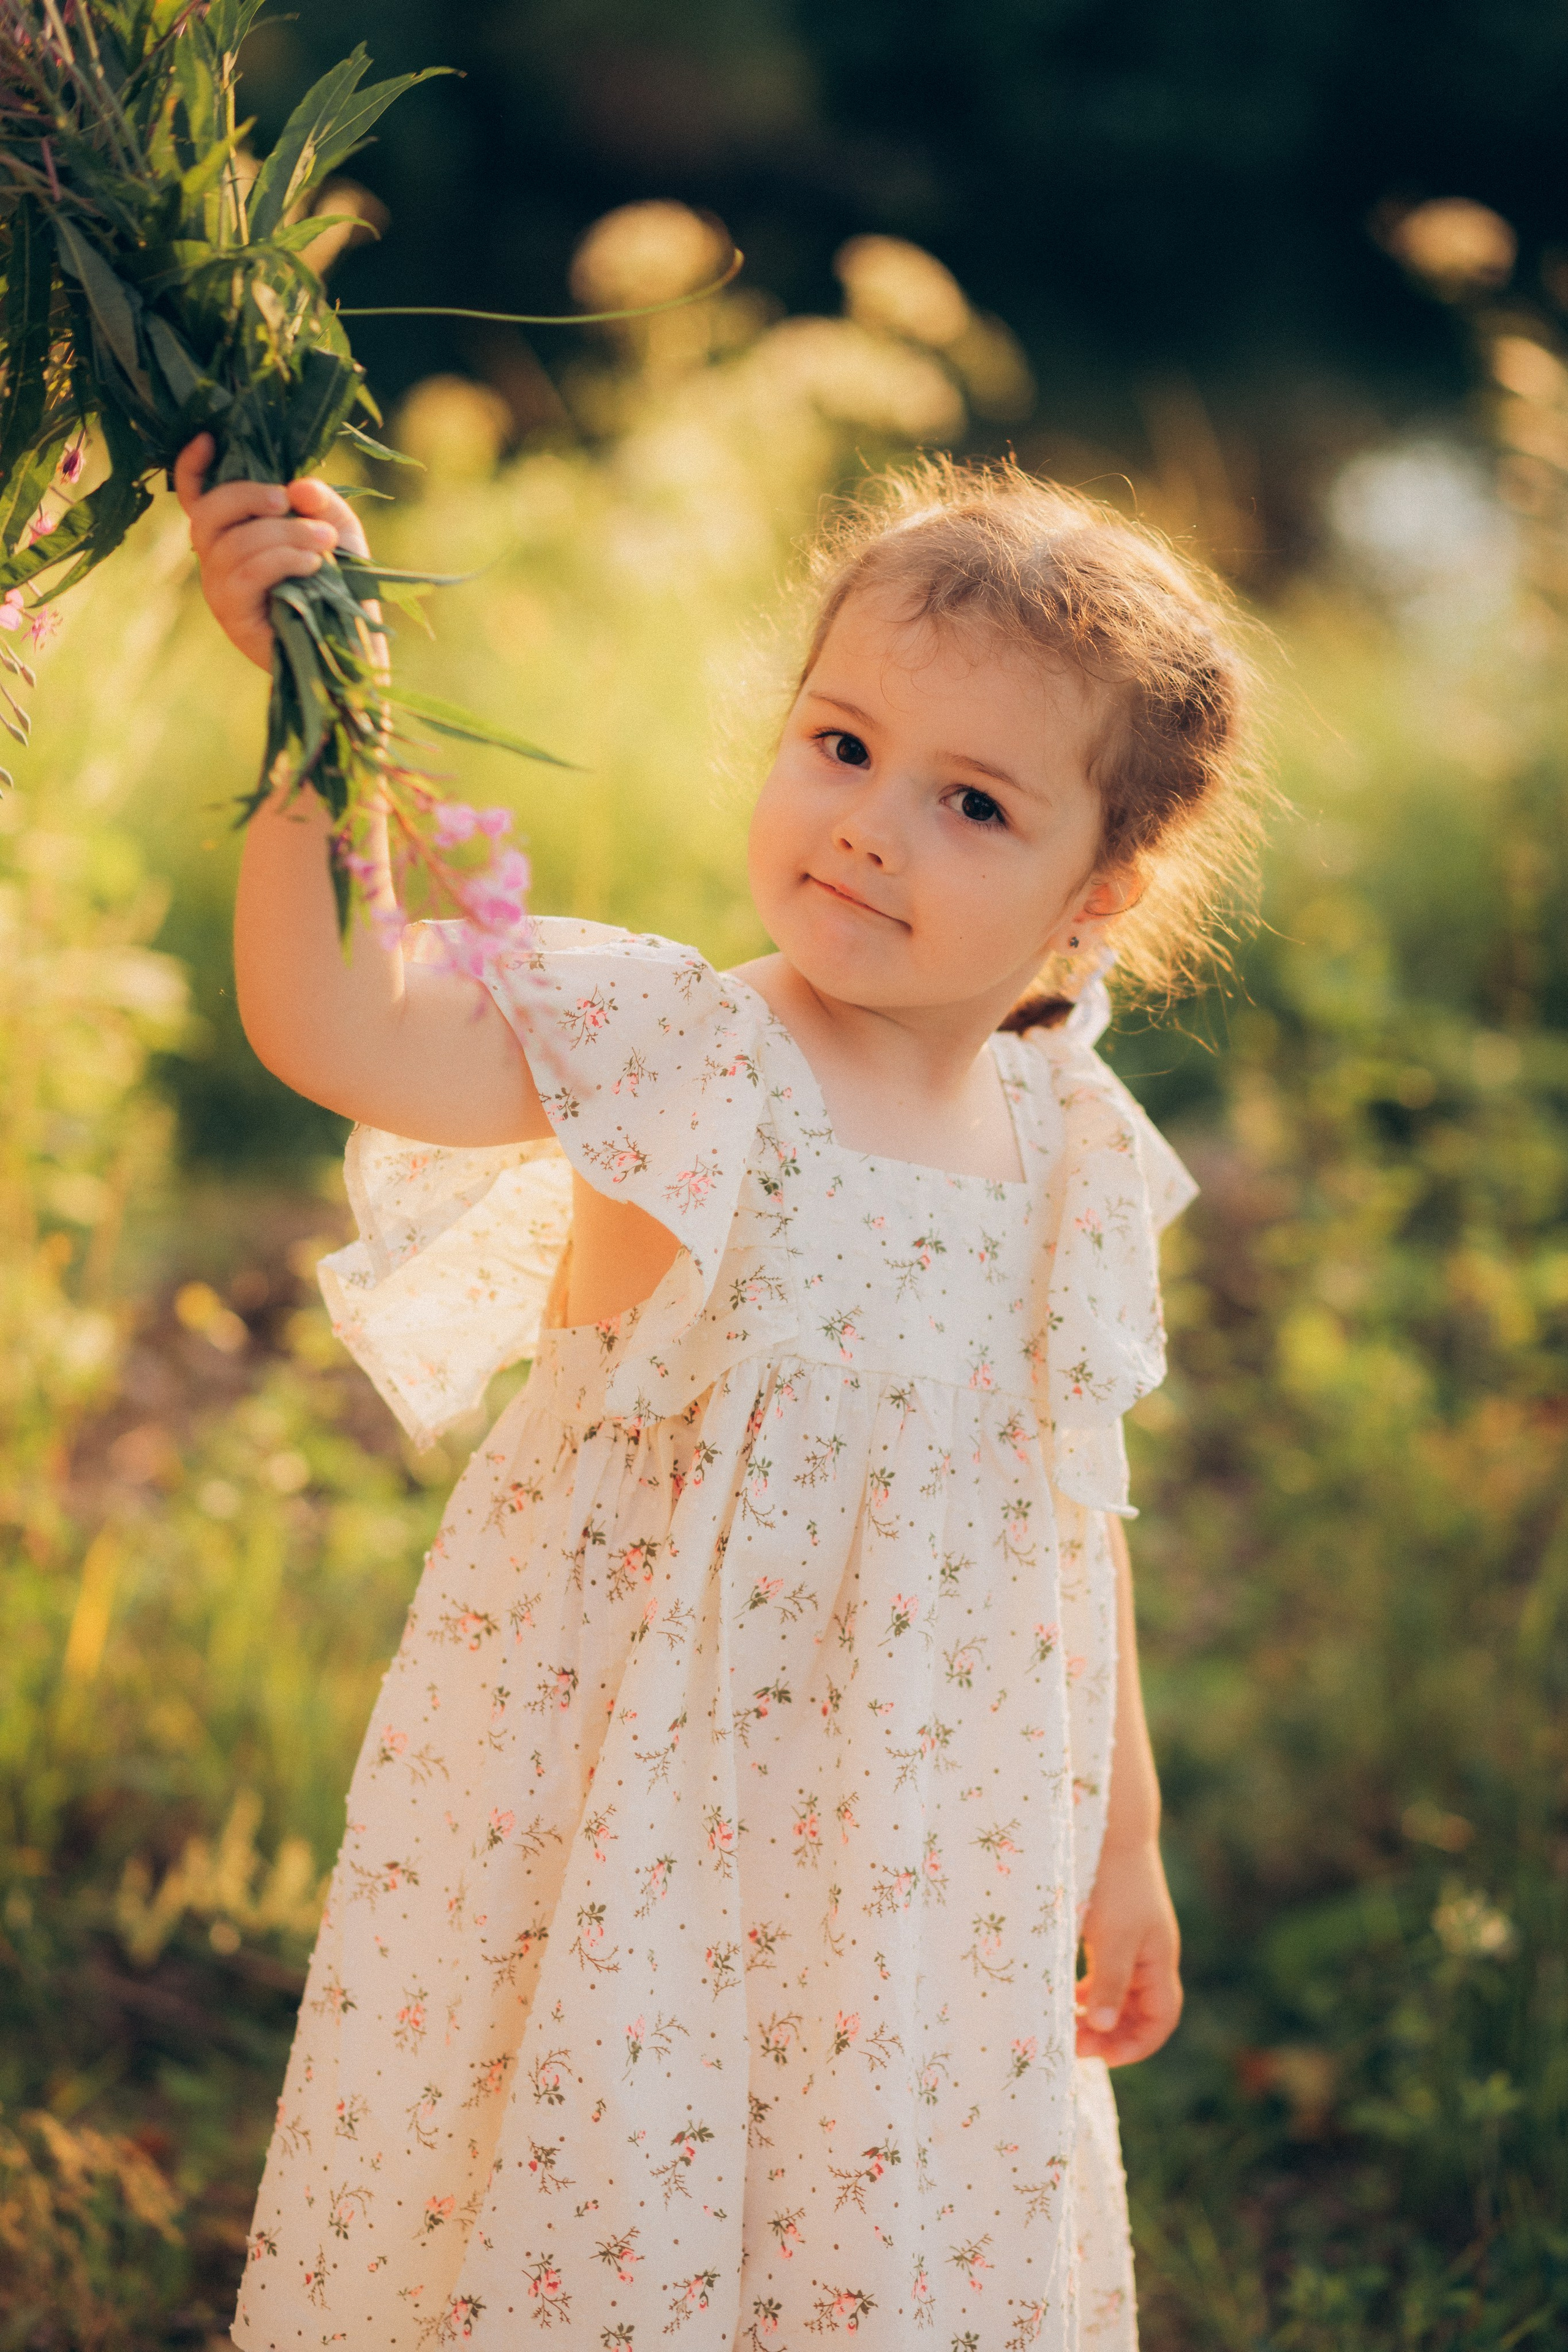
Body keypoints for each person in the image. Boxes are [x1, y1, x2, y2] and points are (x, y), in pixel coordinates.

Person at [176, 434, 1261, 2351]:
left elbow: (1070, 1499)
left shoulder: (1070, 1140)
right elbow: (333, 1024)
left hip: (925, 1837)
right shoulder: (685, 1051)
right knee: (607, 2173)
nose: (868, 826)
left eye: (972, 804)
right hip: (626, 1813)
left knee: (868, 2193)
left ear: (1107, 887)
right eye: (841, 747)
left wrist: (1125, 1828)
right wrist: (309, 716)